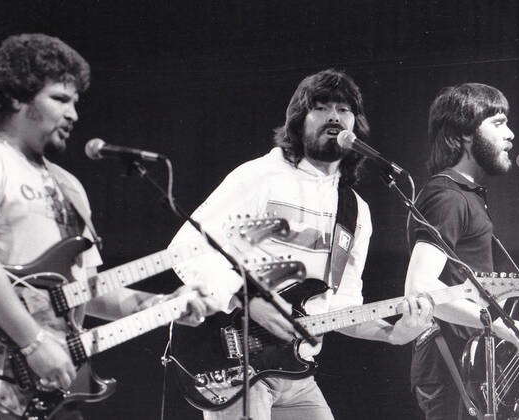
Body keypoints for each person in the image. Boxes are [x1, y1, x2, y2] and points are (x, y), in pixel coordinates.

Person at [0, 33, 215, 420]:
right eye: (60, 99)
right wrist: (33, 342)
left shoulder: (70, 187)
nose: (74, 114)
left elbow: (83, 294)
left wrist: (159, 305)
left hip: (51, 384)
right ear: (17, 97)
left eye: (76, 102)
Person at [169, 68, 433, 420]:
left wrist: (394, 333)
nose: (335, 117)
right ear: (298, 120)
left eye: (344, 110)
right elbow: (186, 248)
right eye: (321, 107)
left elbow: (340, 309)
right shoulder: (260, 176)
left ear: (356, 127)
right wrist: (246, 299)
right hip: (235, 364)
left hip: (295, 372)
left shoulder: (355, 211)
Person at [404, 83, 519, 419]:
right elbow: (420, 287)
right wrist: (503, 328)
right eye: (498, 122)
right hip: (451, 359)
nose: (511, 134)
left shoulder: (470, 197)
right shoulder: (447, 197)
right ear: (463, 135)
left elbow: (492, 303)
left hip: (473, 359)